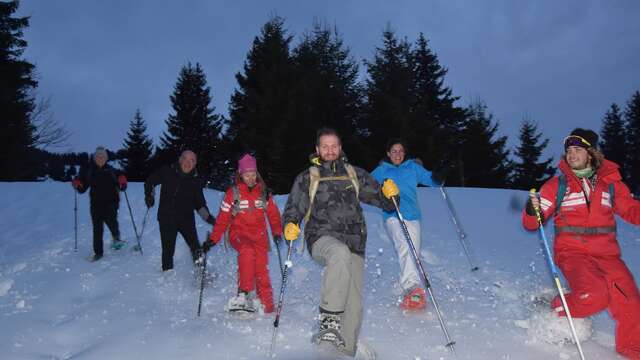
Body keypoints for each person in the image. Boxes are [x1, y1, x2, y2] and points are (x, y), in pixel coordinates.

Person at [522, 128, 640, 359]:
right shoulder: (558, 186)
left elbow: (632, 211)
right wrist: (530, 210)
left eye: (577, 149)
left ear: (592, 153)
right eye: (568, 150)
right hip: (573, 253)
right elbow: (533, 222)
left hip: (607, 255)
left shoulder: (611, 184)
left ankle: (633, 349)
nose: (571, 154)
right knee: (594, 296)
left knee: (631, 302)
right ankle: (556, 304)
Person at [282, 127, 399, 358]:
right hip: (321, 238)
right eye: (325, 146)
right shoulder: (308, 177)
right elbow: (293, 209)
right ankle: (329, 320)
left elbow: (387, 204)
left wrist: (392, 195)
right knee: (339, 253)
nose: (330, 150)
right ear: (317, 149)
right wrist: (290, 225)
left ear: (340, 147)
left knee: (354, 305)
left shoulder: (354, 174)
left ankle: (345, 351)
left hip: (356, 242)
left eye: (334, 145)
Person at [202, 154, 282, 314]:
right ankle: (243, 294)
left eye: (253, 174)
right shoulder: (233, 194)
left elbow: (273, 215)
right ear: (240, 174)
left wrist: (277, 232)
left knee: (261, 269)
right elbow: (223, 218)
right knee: (247, 251)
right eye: (247, 175)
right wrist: (213, 239)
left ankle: (266, 305)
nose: (251, 178)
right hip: (239, 234)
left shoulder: (264, 193)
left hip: (260, 237)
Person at [371, 138, 438, 311]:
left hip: (412, 215)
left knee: (413, 250)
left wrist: (439, 175)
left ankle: (405, 282)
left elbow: (431, 180)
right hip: (392, 214)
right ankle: (412, 288)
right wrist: (382, 193)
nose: (398, 154)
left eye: (400, 151)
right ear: (388, 153)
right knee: (404, 245)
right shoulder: (381, 170)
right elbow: (367, 187)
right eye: (394, 151)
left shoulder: (413, 167)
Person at [144, 150, 215, 271]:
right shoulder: (168, 171)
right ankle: (167, 274)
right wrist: (149, 196)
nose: (188, 163)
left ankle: (201, 271)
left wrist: (209, 218)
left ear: (195, 164)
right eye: (185, 159)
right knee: (168, 250)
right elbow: (150, 181)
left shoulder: (195, 181)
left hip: (186, 219)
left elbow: (200, 204)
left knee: (195, 246)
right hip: (166, 218)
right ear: (180, 159)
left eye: (191, 161)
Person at [72, 146, 127, 261]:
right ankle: (98, 252)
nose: (100, 158)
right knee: (97, 228)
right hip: (96, 203)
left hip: (112, 202)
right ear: (94, 157)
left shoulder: (111, 170)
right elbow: (82, 189)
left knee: (111, 220)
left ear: (106, 158)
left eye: (102, 156)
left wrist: (122, 181)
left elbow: (122, 183)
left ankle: (116, 237)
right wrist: (77, 184)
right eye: (98, 156)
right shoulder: (89, 172)